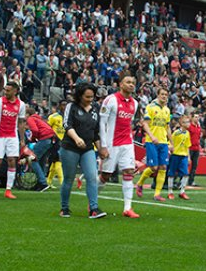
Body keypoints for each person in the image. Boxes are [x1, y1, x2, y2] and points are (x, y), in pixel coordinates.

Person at [59, 83, 106, 219]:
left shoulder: (95, 109)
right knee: (68, 178)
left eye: (92, 96)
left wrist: (100, 148)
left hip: (88, 148)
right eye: (87, 97)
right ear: (79, 96)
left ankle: (94, 208)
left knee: (92, 176)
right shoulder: (71, 107)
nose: (90, 99)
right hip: (70, 147)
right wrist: (76, 138)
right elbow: (67, 124)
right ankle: (64, 207)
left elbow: (95, 132)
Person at [98, 71, 140, 218]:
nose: (131, 85)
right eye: (128, 82)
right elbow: (102, 122)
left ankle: (127, 208)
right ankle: (93, 202)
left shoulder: (135, 103)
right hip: (111, 143)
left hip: (127, 143)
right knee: (106, 175)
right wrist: (102, 145)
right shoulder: (110, 100)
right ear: (121, 84)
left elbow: (129, 123)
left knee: (128, 172)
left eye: (133, 83)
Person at [0, 81, 26, 199]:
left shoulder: (21, 105)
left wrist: (22, 139)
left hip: (12, 136)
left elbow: (21, 122)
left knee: (12, 160)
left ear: (15, 91)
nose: (5, 92)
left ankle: (8, 190)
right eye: (5, 90)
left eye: (8, 90)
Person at [135, 87, 173, 201]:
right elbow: (145, 124)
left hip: (163, 142)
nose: (164, 96)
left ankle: (157, 194)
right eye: (162, 94)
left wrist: (171, 142)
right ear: (157, 95)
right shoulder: (150, 108)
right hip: (152, 141)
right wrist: (152, 136)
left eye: (166, 94)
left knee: (163, 167)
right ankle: (140, 183)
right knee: (153, 167)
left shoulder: (167, 110)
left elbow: (167, 127)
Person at [26, 107, 56, 192]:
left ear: (27, 114)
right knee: (41, 161)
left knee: (33, 159)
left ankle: (43, 183)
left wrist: (32, 138)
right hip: (50, 139)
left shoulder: (30, 119)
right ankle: (40, 183)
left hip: (44, 139)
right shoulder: (39, 119)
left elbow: (35, 130)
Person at [167, 115, 191, 200]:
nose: (189, 124)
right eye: (187, 122)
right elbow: (170, 142)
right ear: (182, 123)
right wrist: (170, 148)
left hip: (183, 155)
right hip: (175, 155)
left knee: (185, 173)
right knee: (172, 173)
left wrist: (188, 157)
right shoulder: (176, 133)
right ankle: (170, 192)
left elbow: (187, 145)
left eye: (189, 122)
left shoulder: (187, 133)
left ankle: (182, 191)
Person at [47, 100, 67, 188]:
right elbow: (47, 127)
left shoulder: (68, 117)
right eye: (63, 105)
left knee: (55, 162)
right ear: (59, 106)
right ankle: (62, 182)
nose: (65, 107)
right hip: (55, 141)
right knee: (58, 160)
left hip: (65, 142)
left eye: (66, 105)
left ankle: (48, 181)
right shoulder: (53, 117)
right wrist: (53, 136)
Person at [188, 112, 202, 186]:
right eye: (196, 117)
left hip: (196, 148)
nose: (197, 118)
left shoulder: (198, 127)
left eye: (198, 117)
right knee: (186, 164)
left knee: (194, 166)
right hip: (190, 148)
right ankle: (180, 179)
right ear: (192, 118)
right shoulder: (189, 127)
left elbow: (199, 137)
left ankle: (191, 181)